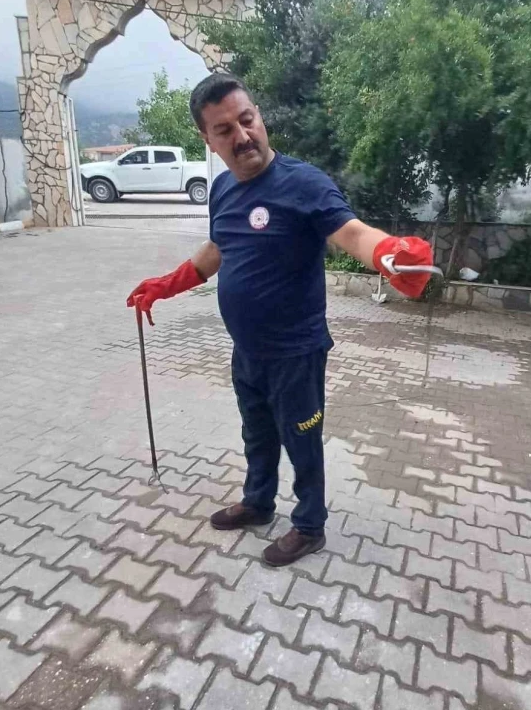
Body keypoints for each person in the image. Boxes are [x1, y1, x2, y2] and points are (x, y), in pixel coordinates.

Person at [127, 73, 433, 567]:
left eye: (247, 120)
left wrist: (389, 253)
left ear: (259, 116)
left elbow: (352, 233)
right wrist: (166, 285)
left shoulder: (303, 183)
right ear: (208, 139)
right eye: (225, 130)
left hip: (296, 352)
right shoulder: (222, 190)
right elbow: (218, 248)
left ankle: (309, 526)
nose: (242, 135)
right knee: (257, 433)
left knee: (301, 439)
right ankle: (259, 502)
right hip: (247, 350)